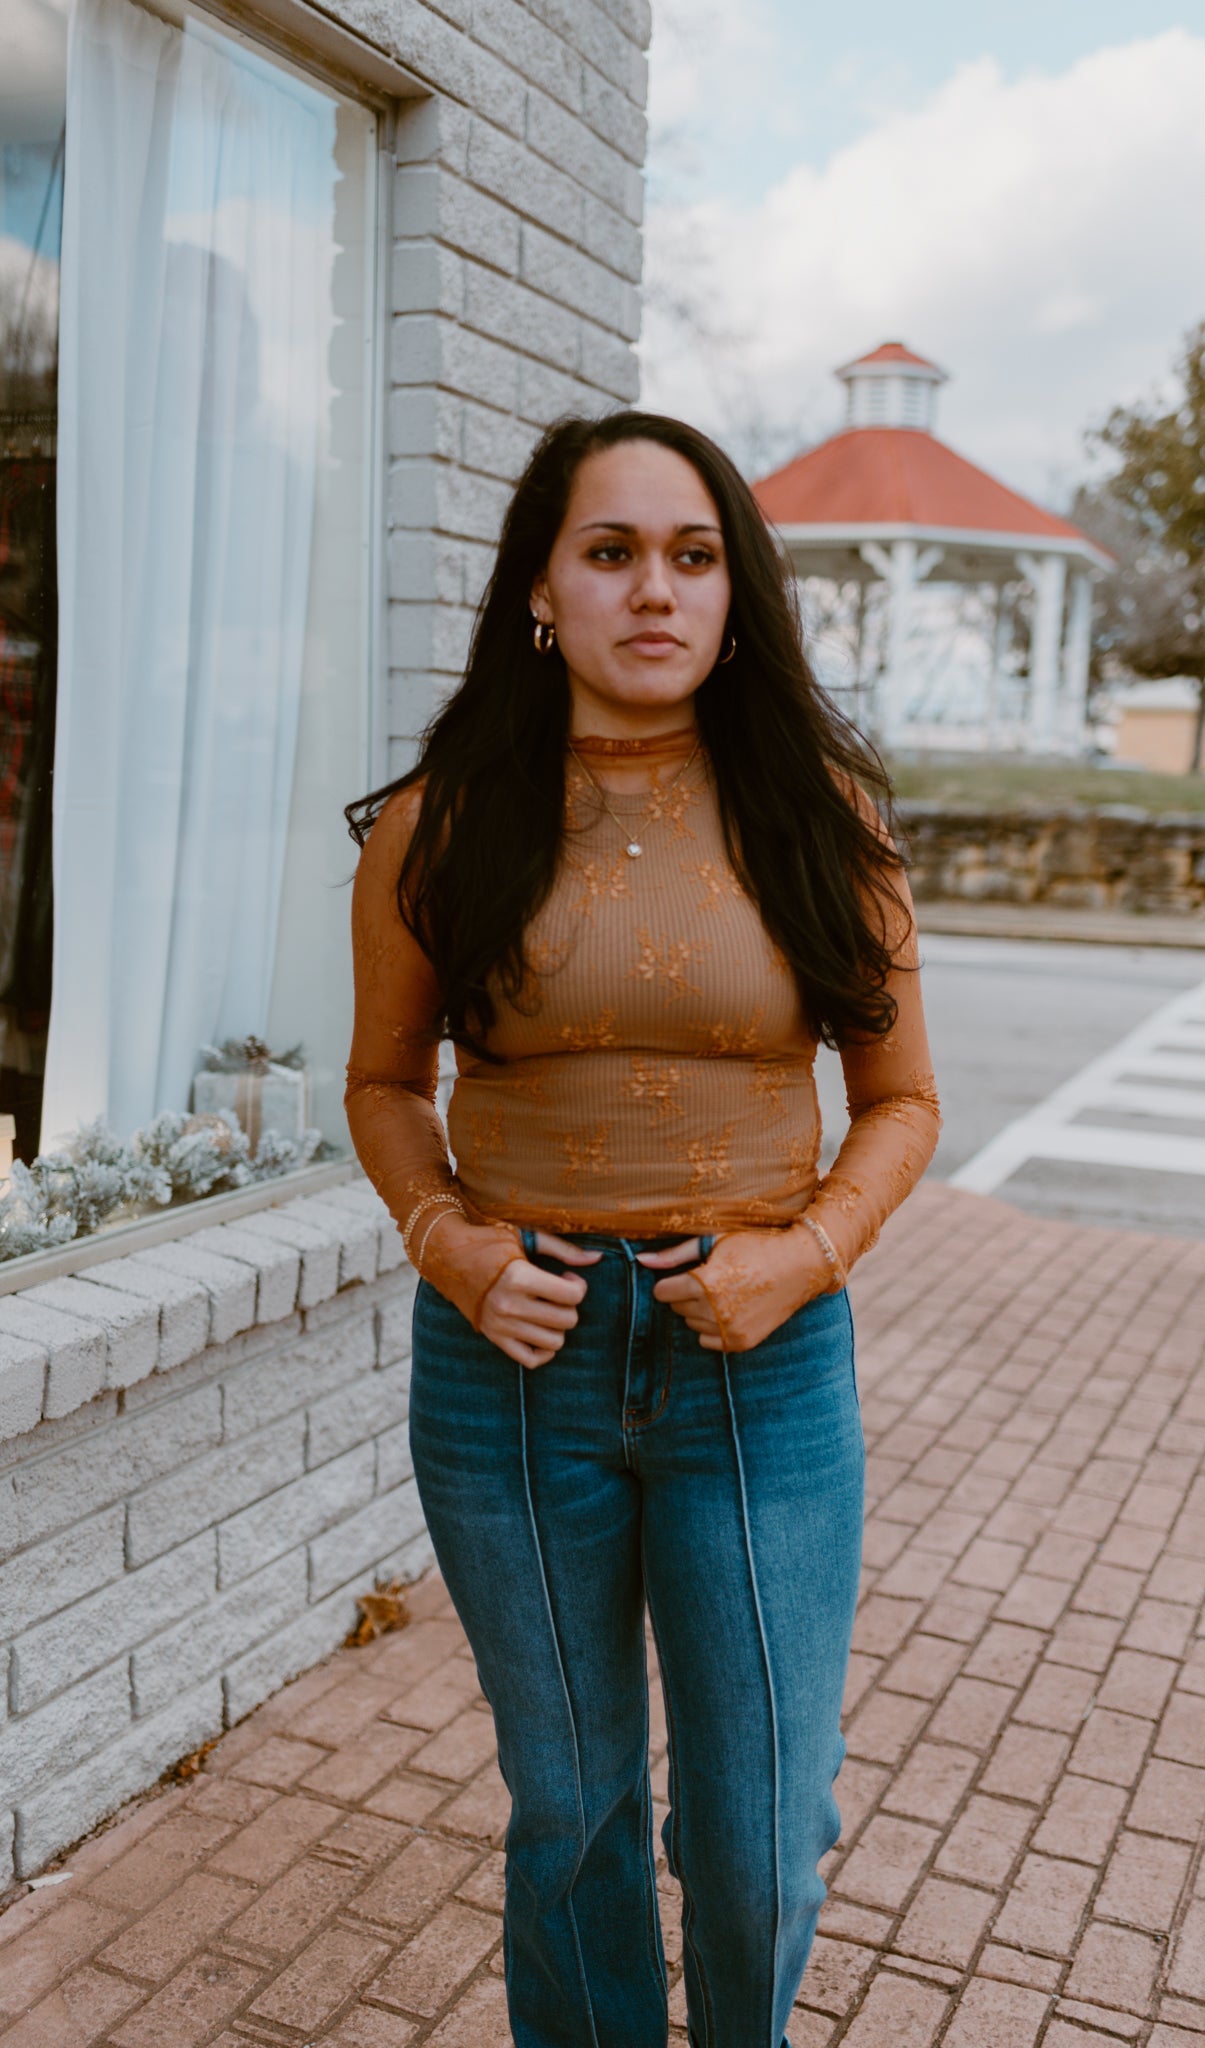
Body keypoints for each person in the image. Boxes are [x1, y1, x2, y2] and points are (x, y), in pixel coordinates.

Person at [344, 410, 940, 2048]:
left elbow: (902, 1105)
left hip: (759, 1369)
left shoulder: (823, 812)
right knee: (574, 1813)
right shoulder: (440, 821)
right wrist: (449, 1245)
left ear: (736, 591)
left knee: (757, 1835)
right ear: (544, 588)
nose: (653, 591)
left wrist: (798, 1258)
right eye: (610, 553)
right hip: (508, 1376)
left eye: (692, 555)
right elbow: (386, 1084)